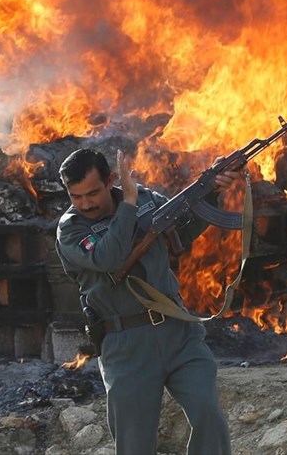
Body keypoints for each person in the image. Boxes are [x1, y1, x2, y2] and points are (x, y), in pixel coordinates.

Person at [55, 147, 238, 455]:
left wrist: (211, 191)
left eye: (92, 193)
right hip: (126, 345)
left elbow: (185, 230)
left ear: (111, 180)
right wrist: (127, 203)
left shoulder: (147, 201)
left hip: (178, 333)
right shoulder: (71, 229)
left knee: (209, 415)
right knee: (135, 446)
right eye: (76, 196)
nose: (85, 203)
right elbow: (109, 257)